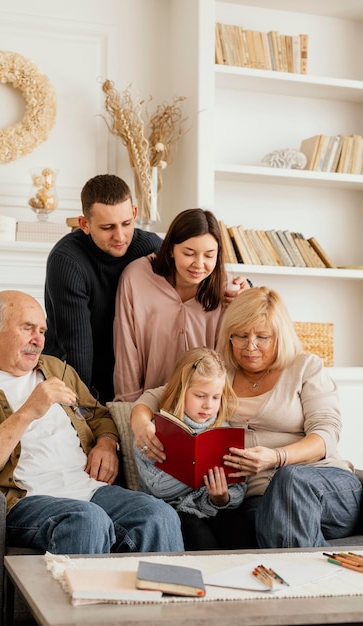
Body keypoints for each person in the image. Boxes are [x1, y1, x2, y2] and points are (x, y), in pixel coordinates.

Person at [0, 290, 184, 555]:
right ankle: (82, 598)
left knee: (158, 514)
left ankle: (155, 597)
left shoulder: (57, 369)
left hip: (88, 488)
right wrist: (29, 411)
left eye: (42, 331)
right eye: (28, 328)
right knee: (87, 520)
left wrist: (107, 444)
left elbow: (97, 416)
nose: (38, 340)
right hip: (26, 500)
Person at [131, 286, 362, 548]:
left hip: (323, 485)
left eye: (262, 337)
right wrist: (140, 422)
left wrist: (276, 458)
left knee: (289, 479)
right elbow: (159, 395)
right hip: (261, 499)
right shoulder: (221, 373)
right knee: (258, 521)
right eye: (240, 336)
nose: (250, 347)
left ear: (280, 336)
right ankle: (309, 576)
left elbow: (326, 435)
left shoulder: (305, 367)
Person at [43, 174, 162, 404]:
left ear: (135, 213)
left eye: (126, 224)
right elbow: (78, 349)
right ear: (84, 224)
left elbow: (196, 275)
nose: (120, 236)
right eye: (107, 227)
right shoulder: (67, 260)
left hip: (128, 376)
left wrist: (239, 286)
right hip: (70, 377)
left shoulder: (151, 247)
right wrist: (87, 413)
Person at [113, 208, 250, 401]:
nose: (199, 264)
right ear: (170, 249)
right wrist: (129, 407)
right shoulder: (136, 277)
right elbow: (126, 347)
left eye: (209, 255)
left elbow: (229, 360)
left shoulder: (228, 290)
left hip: (205, 408)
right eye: (189, 253)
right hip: (147, 404)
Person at [134, 347, 247, 550]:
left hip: (215, 508)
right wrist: (197, 472)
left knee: (238, 534)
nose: (208, 405)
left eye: (215, 397)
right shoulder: (154, 432)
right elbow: (157, 486)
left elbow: (238, 487)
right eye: (200, 396)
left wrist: (221, 498)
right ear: (181, 390)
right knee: (199, 539)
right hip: (174, 509)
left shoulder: (223, 431)